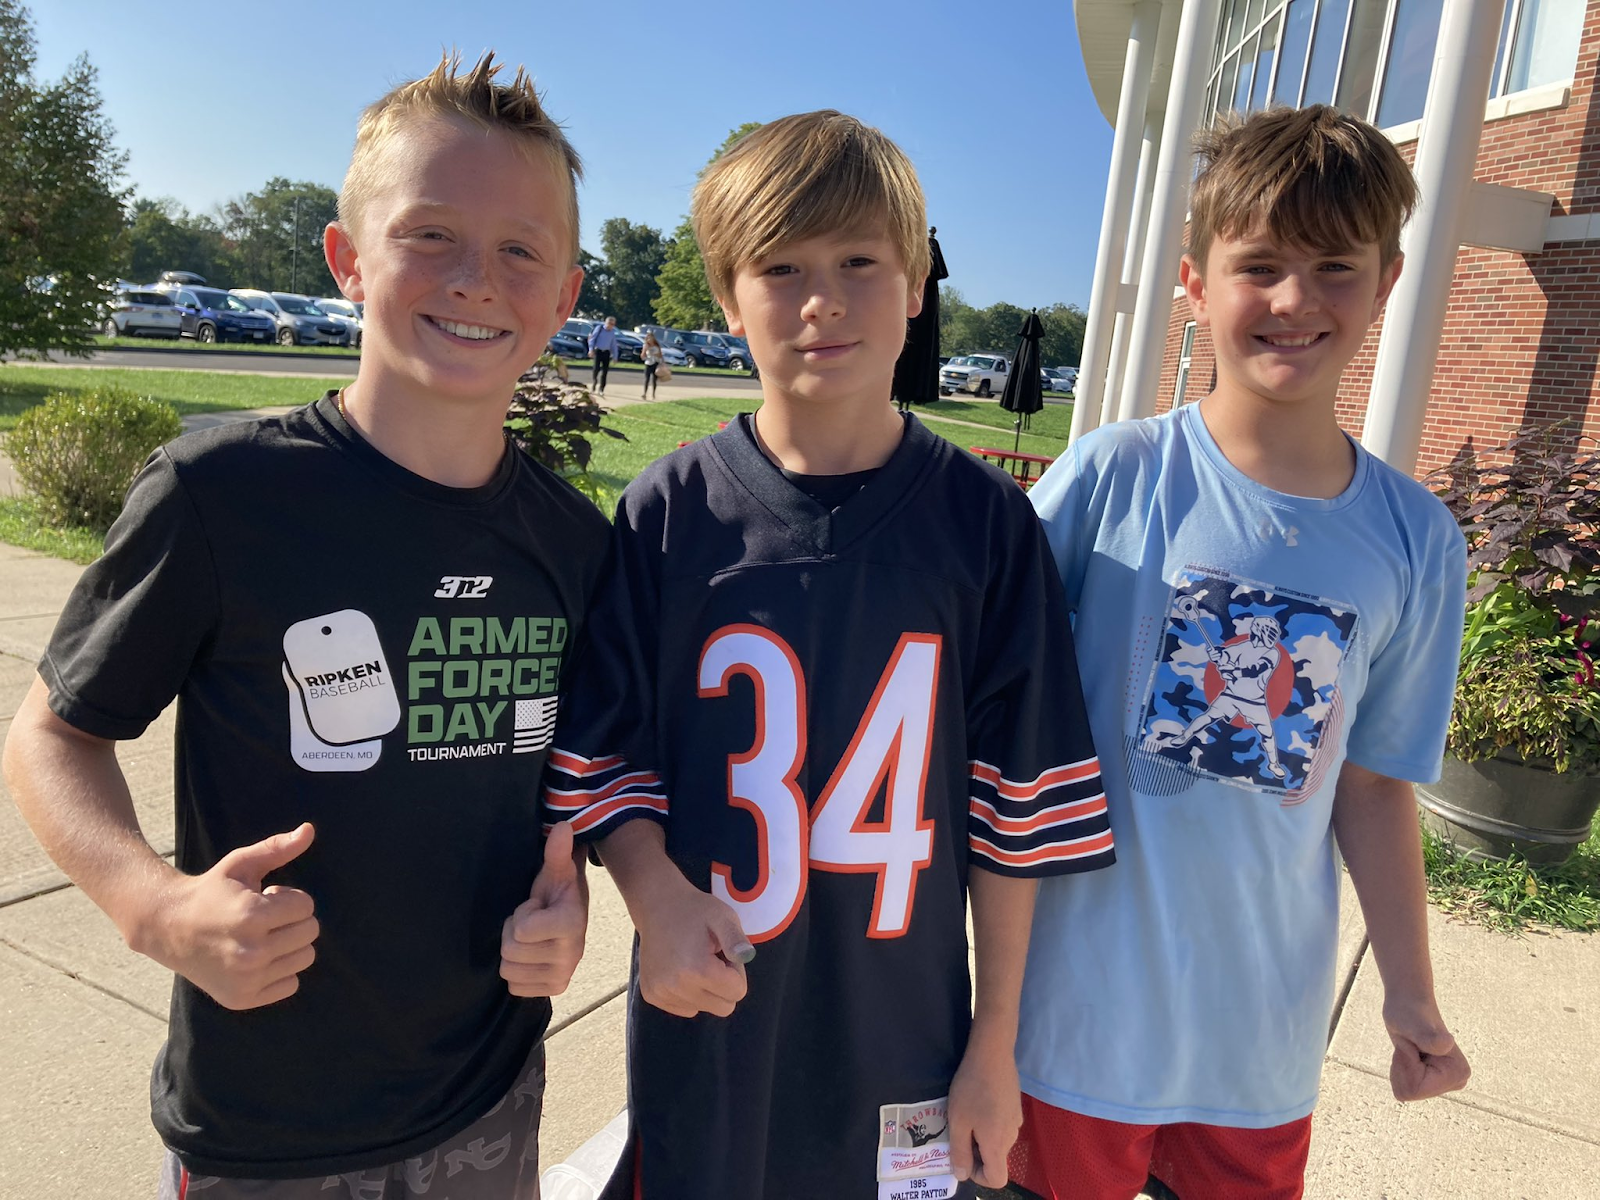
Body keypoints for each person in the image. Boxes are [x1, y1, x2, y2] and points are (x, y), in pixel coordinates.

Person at [1, 52, 608, 1199]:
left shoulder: (575, 545)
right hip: (265, 1126)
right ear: (346, 259)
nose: (476, 279)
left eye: (520, 251)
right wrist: (154, 907)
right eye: (430, 233)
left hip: (488, 1099)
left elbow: (563, 784)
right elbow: (51, 737)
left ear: (566, 297)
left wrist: (568, 897)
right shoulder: (222, 497)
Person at [544, 110, 1114, 1200]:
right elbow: (606, 759)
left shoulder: (987, 526)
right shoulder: (668, 514)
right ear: (726, 297)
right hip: (711, 1019)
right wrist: (653, 896)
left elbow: (1015, 808)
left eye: (860, 262)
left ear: (915, 285)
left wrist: (996, 1042)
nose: (823, 300)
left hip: (905, 1029)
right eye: (781, 268)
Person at [1008, 104, 1472, 1200]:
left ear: (1387, 280)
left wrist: (1410, 993)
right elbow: (983, 697)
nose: (1294, 299)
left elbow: (1373, 786)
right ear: (1194, 283)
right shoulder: (1111, 479)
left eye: (1334, 266)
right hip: (1071, 1021)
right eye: (1258, 265)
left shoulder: (1415, 541)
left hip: (1258, 1040)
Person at [588, 315, 618, 393]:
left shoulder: (612, 332)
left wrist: (615, 356)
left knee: (605, 371)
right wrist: (591, 350)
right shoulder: (599, 329)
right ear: (606, 322)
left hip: (606, 352)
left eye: (613, 324)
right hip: (598, 351)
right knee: (596, 369)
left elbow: (614, 345)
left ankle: (601, 388)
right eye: (609, 323)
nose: (611, 326)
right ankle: (594, 382)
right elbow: (592, 339)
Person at [639, 330, 663, 399]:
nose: (649, 339)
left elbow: (660, 355)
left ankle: (653, 394)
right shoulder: (645, 346)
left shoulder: (657, 346)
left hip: (656, 363)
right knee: (647, 379)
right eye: (648, 338)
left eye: (650, 338)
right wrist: (645, 350)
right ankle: (644, 394)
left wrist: (654, 354)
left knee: (654, 380)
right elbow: (642, 356)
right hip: (648, 363)